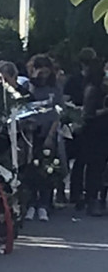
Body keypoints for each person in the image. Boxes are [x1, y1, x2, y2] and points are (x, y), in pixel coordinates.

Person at [23, 54, 63, 222]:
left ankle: (44, 204)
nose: (43, 76)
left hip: (48, 132)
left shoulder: (55, 88)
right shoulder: (27, 86)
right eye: (41, 72)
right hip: (30, 133)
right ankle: (31, 203)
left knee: (47, 168)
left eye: (46, 72)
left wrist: (51, 135)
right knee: (30, 168)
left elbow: (57, 113)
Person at [63, 48, 97, 207]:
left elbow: (65, 100)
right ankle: (80, 193)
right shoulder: (78, 80)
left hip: (88, 122)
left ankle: (78, 193)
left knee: (81, 160)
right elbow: (66, 101)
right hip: (79, 122)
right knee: (82, 159)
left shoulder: (79, 80)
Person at [80, 58, 108, 216]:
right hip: (97, 133)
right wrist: (105, 110)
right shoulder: (94, 89)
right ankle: (91, 199)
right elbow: (88, 113)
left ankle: (101, 198)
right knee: (96, 167)